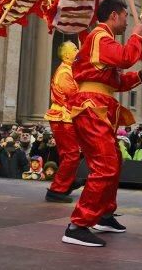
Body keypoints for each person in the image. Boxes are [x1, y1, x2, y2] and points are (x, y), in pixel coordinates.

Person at [61, 0, 142, 248]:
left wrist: (141, 76)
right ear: (114, 16)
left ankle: (104, 213)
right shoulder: (100, 37)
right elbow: (126, 58)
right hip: (92, 108)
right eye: (125, 17)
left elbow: (116, 81)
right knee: (105, 165)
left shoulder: (102, 42)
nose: (127, 22)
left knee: (113, 160)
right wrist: (137, 36)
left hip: (99, 106)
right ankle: (78, 225)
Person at [44, 41, 83, 203]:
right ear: (67, 54)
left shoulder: (69, 69)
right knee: (71, 154)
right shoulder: (65, 72)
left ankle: (67, 182)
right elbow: (74, 94)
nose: (78, 50)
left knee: (68, 153)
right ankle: (57, 189)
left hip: (65, 117)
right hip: (62, 117)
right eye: (74, 49)